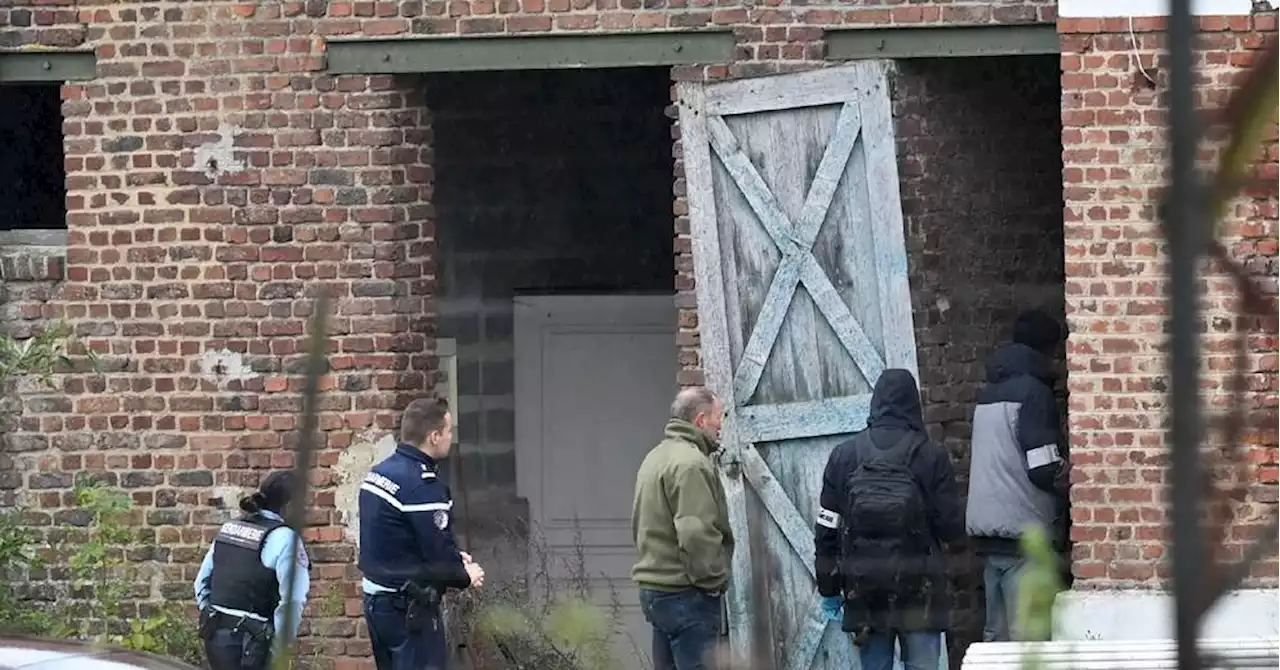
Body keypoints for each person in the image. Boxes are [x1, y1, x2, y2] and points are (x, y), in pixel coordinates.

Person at [814, 369, 963, 670]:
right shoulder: (932, 456)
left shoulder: (843, 456)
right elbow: (952, 529)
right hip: (922, 592)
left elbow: (826, 529)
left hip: (865, 593)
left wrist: (829, 589)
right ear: (914, 404)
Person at [965, 308, 1071, 642]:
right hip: (1024, 536)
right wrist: (1069, 481)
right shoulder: (1034, 394)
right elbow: (1042, 468)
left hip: (989, 534)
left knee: (996, 639)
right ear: (1048, 349)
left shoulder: (988, 393)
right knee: (1029, 640)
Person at [359, 397, 485, 670]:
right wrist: (465, 574)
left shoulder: (379, 474)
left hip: (378, 600)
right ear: (434, 436)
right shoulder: (422, 486)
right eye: (449, 431)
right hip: (407, 608)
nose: (451, 437)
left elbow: (402, 538)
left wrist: (454, 557)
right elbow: (437, 552)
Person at [631, 386, 734, 670]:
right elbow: (695, 532)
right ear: (700, 421)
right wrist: (714, 581)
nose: (720, 425)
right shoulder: (690, 464)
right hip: (686, 595)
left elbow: (640, 523)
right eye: (718, 417)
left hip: (656, 592)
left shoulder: (655, 457)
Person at [194, 470, 311, 670]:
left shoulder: (230, 528)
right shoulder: (286, 539)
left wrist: (212, 619)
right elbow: (293, 601)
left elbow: (201, 583)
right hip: (253, 646)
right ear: (290, 505)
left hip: (216, 640)